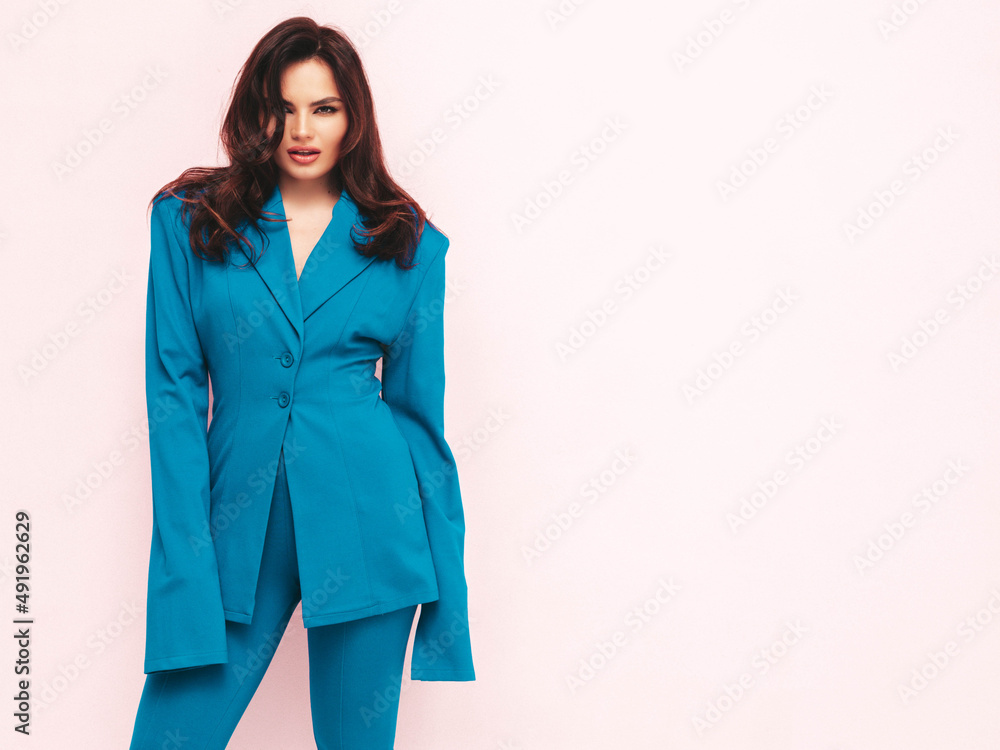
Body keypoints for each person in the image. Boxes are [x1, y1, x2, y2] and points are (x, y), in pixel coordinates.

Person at [128, 16, 475, 750]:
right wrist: (185, 563)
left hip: (371, 529)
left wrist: (450, 596)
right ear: (256, 113)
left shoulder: (408, 243)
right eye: (282, 107)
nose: (302, 129)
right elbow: (174, 400)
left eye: (324, 108)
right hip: (231, 531)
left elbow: (421, 425)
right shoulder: (191, 223)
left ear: (354, 118)